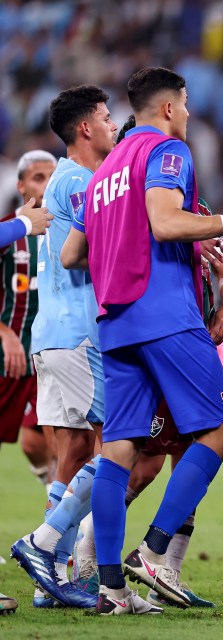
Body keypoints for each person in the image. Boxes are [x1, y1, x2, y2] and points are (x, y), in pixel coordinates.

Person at [60, 67, 223, 615]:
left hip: (115, 322)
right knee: (219, 431)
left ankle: (112, 589)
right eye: (185, 105)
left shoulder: (104, 170)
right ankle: (154, 549)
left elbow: (72, 254)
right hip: (164, 311)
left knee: (118, 449)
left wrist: (122, 242)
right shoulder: (168, 152)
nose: (187, 114)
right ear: (168, 108)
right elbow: (166, 223)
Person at [10, 85, 116, 611]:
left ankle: (46, 582)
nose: (114, 124)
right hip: (79, 334)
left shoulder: (71, 180)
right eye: (106, 116)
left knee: (72, 455)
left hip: (52, 335)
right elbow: (96, 251)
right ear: (85, 129)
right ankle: (44, 545)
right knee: (118, 445)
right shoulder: (79, 182)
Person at [1, 151, 56, 486]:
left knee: (51, 438)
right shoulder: (9, 232)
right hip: (9, 356)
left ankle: (60, 518)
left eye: (52, 177)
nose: (46, 185)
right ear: (21, 185)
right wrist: (3, 333)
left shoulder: (68, 233)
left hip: (49, 357)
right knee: (34, 444)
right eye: (38, 178)